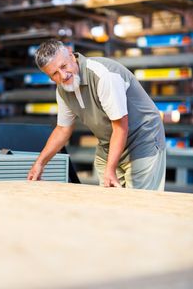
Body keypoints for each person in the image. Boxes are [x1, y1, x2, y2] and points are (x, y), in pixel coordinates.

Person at [27, 39, 166, 190]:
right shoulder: (63, 91)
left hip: (142, 139)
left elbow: (120, 127)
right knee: (110, 204)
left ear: (71, 56)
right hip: (109, 145)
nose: (63, 75)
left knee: (139, 204)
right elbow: (63, 129)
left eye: (64, 66)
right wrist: (40, 163)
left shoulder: (104, 75)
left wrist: (110, 169)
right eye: (55, 73)